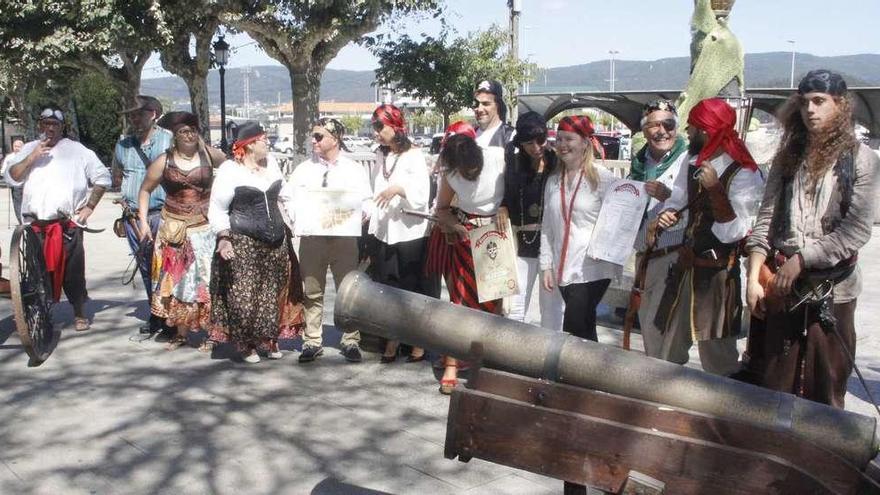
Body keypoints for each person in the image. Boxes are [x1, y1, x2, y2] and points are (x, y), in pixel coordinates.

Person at [739, 70, 879, 407]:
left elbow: (857, 230)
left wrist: (802, 260)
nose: (810, 110)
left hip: (834, 290)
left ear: (841, 105)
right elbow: (766, 219)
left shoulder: (863, 161)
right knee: (774, 384)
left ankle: (824, 458)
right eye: (804, 103)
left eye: (820, 101)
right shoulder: (787, 158)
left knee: (827, 389)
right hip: (783, 289)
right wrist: (753, 275)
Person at [655, 98, 764, 376]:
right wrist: (669, 213)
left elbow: (737, 231)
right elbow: (677, 196)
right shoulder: (690, 161)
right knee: (667, 347)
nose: (688, 131)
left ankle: (727, 414)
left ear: (707, 129)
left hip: (717, 276)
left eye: (693, 126)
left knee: (719, 359)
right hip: (685, 267)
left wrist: (716, 189)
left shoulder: (744, 171)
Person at [4, 106, 111, 331]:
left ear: (62, 127)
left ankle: (79, 311)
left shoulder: (78, 150)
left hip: (66, 223)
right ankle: (39, 311)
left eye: (54, 125)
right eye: (46, 124)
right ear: (40, 125)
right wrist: (31, 158)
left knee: (73, 270)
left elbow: (102, 178)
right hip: (34, 224)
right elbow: (12, 177)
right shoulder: (31, 148)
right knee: (35, 273)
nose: (50, 128)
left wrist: (89, 208)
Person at [208, 121, 304, 363]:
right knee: (245, 294)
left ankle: (269, 338)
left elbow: (285, 196)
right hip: (244, 239)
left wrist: (295, 220)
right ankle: (246, 343)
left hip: (276, 240)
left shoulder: (271, 165)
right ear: (249, 146)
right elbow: (217, 209)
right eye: (263, 139)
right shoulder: (230, 170)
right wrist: (223, 238)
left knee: (273, 291)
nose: (268, 142)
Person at [283, 117, 372, 364]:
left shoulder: (353, 170)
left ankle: (350, 339)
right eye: (313, 136)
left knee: (348, 290)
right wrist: (296, 217)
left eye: (319, 136)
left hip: (344, 239)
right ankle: (312, 340)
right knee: (312, 290)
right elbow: (287, 198)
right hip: (313, 238)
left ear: (336, 138)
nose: (314, 140)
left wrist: (364, 212)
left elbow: (367, 199)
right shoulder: (304, 170)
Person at [432, 121, 506, 394]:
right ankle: (452, 363)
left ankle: (483, 363)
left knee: (493, 300)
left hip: (496, 234)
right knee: (459, 301)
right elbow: (441, 209)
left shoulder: (498, 157)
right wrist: (454, 225)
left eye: (474, 170)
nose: (471, 174)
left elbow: (518, 185)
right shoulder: (449, 171)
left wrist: (506, 207)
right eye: (466, 172)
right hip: (464, 236)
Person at [137, 112, 219, 350]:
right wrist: (143, 222)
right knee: (178, 281)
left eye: (193, 130)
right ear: (175, 136)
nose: (189, 135)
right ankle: (181, 332)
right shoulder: (164, 160)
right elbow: (144, 191)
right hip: (173, 227)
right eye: (184, 131)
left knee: (207, 280)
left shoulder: (209, 156)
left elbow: (232, 165)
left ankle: (211, 333)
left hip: (205, 227)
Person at [539, 115, 620, 342]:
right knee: (584, 329)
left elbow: (621, 220)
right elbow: (547, 227)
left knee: (574, 325)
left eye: (569, 139)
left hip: (592, 267)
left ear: (585, 142)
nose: (562, 145)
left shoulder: (603, 179)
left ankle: (571, 374)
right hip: (563, 267)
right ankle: (590, 375)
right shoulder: (554, 181)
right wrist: (546, 265)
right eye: (559, 139)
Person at [626, 99, 690, 358]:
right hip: (644, 257)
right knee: (649, 330)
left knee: (666, 328)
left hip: (672, 256)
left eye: (669, 124)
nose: (662, 131)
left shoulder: (688, 159)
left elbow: (699, 206)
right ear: (644, 130)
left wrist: (669, 195)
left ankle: (668, 389)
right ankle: (654, 386)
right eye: (655, 125)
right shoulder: (639, 163)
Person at [367, 104, 431, 363]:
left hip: (410, 231)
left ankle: (417, 341)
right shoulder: (382, 156)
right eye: (375, 128)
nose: (376, 133)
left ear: (396, 126)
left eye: (380, 127)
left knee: (411, 286)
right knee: (388, 284)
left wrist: (398, 189)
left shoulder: (415, 155)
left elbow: (421, 195)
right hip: (385, 230)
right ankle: (392, 337)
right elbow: (375, 189)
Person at [496, 111, 564, 330]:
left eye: (541, 140)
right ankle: (512, 359)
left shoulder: (558, 162)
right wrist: (503, 207)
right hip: (521, 242)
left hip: (552, 245)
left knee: (552, 309)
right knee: (514, 307)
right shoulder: (514, 164)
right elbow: (505, 194)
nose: (536, 147)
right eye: (528, 143)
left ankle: (549, 359)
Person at [112, 95, 172, 335]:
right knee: (147, 267)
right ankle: (155, 313)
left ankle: (170, 317)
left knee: (167, 267)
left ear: (153, 114)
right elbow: (118, 175)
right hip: (134, 218)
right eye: (132, 115)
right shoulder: (123, 146)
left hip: (164, 214)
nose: (135, 119)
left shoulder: (169, 141)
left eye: (140, 114)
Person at [473, 80, 514, 148]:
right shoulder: (470, 135)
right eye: (476, 104)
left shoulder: (510, 135)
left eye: (486, 104)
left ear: (498, 105)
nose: (480, 109)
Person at [1, 138, 25, 224]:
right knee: (17, 203)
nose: (16, 148)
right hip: (15, 184)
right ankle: (21, 220)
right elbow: (3, 170)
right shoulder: (9, 157)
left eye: (19, 146)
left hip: (26, 183)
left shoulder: (26, 156)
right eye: (15, 146)